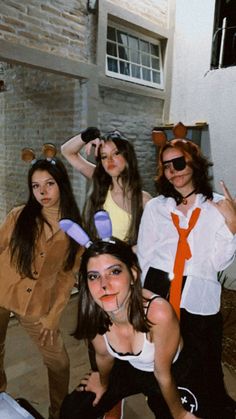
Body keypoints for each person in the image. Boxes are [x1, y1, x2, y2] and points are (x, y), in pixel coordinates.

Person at [59, 214, 205, 419]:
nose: (104, 284)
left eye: (115, 272)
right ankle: (114, 408)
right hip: (129, 369)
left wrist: (180, 414)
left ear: (133, 275)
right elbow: (104, 356)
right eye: (94, 276)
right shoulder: (94, 314)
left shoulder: (158, 313)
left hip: (171, 371)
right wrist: (102, 384)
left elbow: (162, 374)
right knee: (74, 410)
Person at [137, 138, 236, 418]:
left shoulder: (217, 206)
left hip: (198, 291)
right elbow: (145, 254)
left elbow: (218, 262)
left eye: (179, 163)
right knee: (163, 354)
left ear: (195, 164)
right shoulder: (157, 207)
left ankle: (209, 409)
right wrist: (140, 299)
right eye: (167, 166)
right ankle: (167, 407)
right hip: (159, 287)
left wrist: (231, 225)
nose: (173, 171)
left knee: (203, 359)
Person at [61, 127, 151, 418]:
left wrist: (123, 254)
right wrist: (91, 136)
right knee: (97, 342)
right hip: (95, 279)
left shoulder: (144, 199)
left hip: (122, 281)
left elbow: (150, 244)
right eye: (103, 156)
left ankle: (115, 402)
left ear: (127, 157)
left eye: (116, 154)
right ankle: (103, 394)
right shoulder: (99, 182)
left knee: (122, 344)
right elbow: (67, 152)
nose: (110, 161)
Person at [0, 145, 83, 419]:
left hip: (36, 304)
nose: (43, 192)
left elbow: (67, 276)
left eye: (49, 184)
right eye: (36, 186)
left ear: (62, 184)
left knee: (58, 362)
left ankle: (58, 413)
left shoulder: (74, 229)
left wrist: (53, 316)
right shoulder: (17, 216)